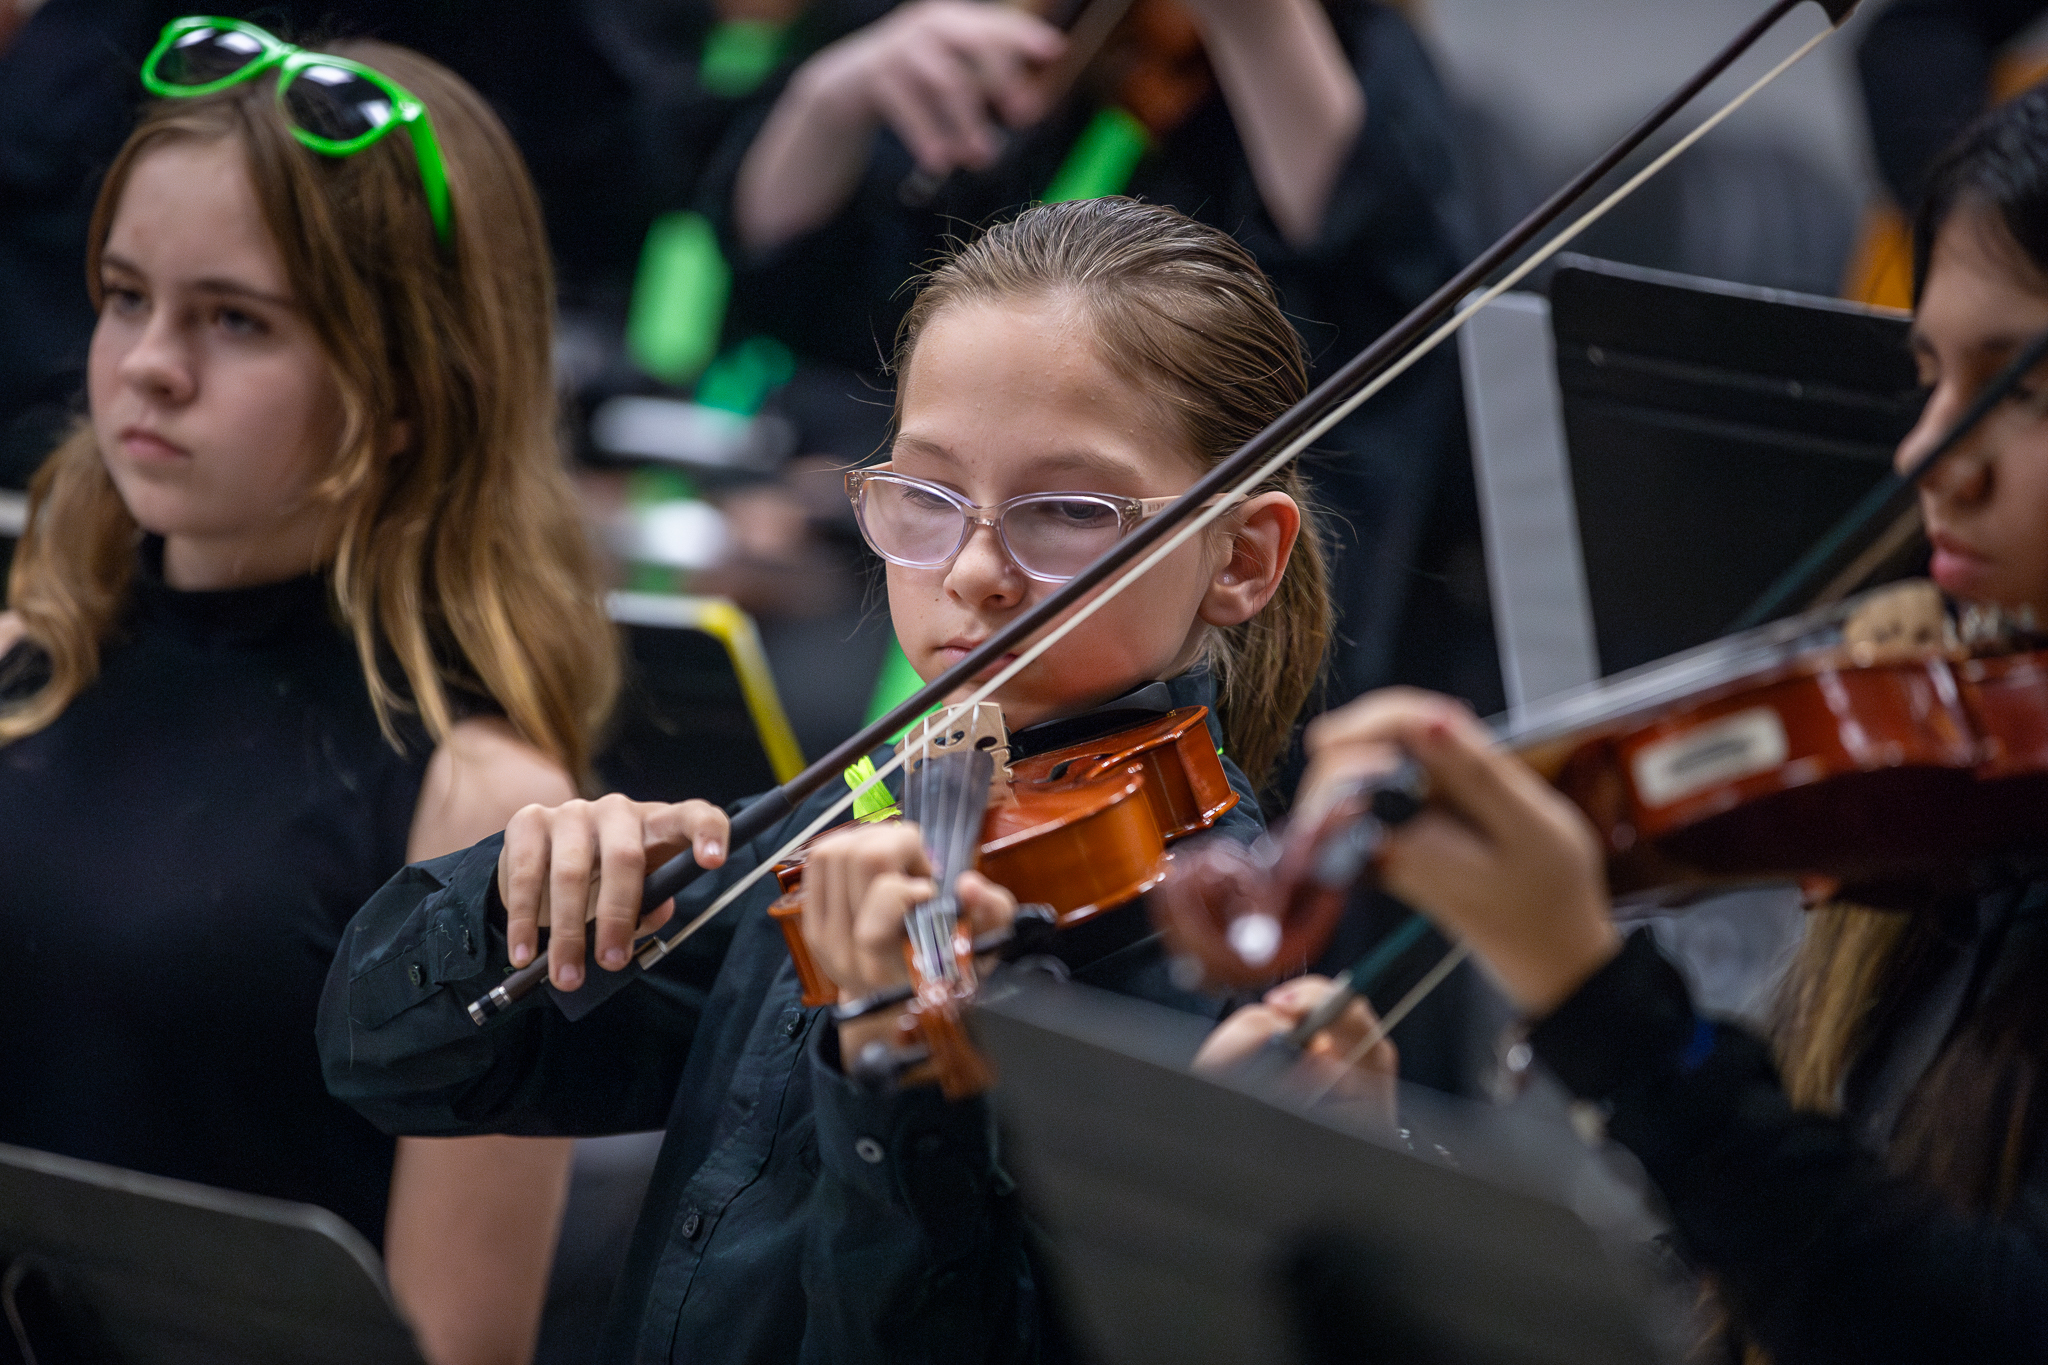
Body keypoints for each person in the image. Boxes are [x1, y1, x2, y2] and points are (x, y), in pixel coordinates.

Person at [319, 195, 1334, 1362]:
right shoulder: (836, 828)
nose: (976, 571)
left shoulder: (1209, 961)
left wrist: (890, 1075)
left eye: (1066, 514)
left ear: (1241, 557)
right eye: (928, 495)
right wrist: (514, 895)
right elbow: (392, 1064)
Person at [1291, 83, 2048, 1364]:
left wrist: (1601, 1004)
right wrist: (1392, 1192)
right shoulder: (1973, 796)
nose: (1930, 455)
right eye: (1925, 375)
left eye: (2015, 385)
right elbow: (1782, 1269)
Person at [0, 21, 620, 1365]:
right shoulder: (20, 671)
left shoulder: (485, 807)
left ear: (406, 389)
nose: (150, 363)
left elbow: (453, 1343)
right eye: (122, 296)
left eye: (235, 320)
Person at [700, 0, 1480, 707]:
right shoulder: (1053, 55)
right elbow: (811, 298)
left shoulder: (1364, 73)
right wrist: (827, 101)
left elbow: (1377, 295)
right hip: (943, 652)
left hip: (1253, 667)